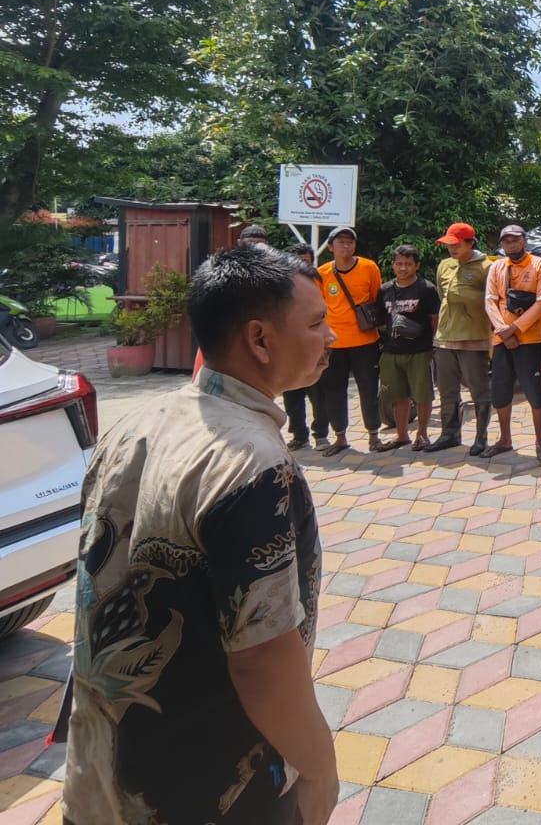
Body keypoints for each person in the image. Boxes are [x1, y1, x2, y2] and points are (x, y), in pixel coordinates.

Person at [65, 245, 338, 825]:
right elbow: (262, 660)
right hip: (211, 786)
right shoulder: (254, 463)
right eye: (316, 323)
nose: (330, 336)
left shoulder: (133, 424)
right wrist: (318, 766)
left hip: (102, 767)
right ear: (260, 340)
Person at [484, 224, 541, 460]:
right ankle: (504, 440)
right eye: (506, 241)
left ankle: (540, 443)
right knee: (501, 390)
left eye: (515, 240)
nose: (511, 245)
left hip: (531, 340)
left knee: (535, 393)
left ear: (524, 240)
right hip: (501, 340)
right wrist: (503, 331)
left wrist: (516, 328)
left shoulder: (540, 265)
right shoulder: (497, 267)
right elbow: (490, 301)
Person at [426, 222, 494, 454]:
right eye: (448, 245)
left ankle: (480, 437)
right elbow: (442, 294)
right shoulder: (444, 266)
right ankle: (449, 434)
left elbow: (491, 300)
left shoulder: (486, 267)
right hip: (445, 337)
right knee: (446, 389)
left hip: (474, 337)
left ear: (470, 243)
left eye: (456, 245)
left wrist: (464, 295)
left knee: (479, 389)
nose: (451, 249)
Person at [315, 225, 383, 456]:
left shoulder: (368, 267)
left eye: (350, 242)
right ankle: (340, 437)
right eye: (341, 242)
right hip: (334, 343)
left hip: (365, 341)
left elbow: (375, 298)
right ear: (331, 246)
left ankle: (374, 435)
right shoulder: (322, 273)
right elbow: (319, 307)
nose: (346, 246)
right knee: (334, 390)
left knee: (369, 388)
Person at [377, 243, 440, 452]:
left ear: (416, 265)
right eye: (399, 264)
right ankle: (402, 435)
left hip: (419, 351)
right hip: (391, 351)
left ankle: (422, 435)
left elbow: (434, 319)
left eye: (408, 264)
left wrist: (431, 345)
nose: (403, 268)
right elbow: (381, 319)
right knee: (397, 395)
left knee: (422, 394)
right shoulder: (385, 290)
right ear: (393, 265)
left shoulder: (426, 289)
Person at [283, 241, 327, 451]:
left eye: (307, 262)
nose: (303, 266)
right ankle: (299, 435)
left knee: (318, 393)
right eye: (299, 262)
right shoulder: (281, 286)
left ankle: (321, 434)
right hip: (290, 348)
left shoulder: (320, 282)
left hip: (315, 346)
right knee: (292, 394)